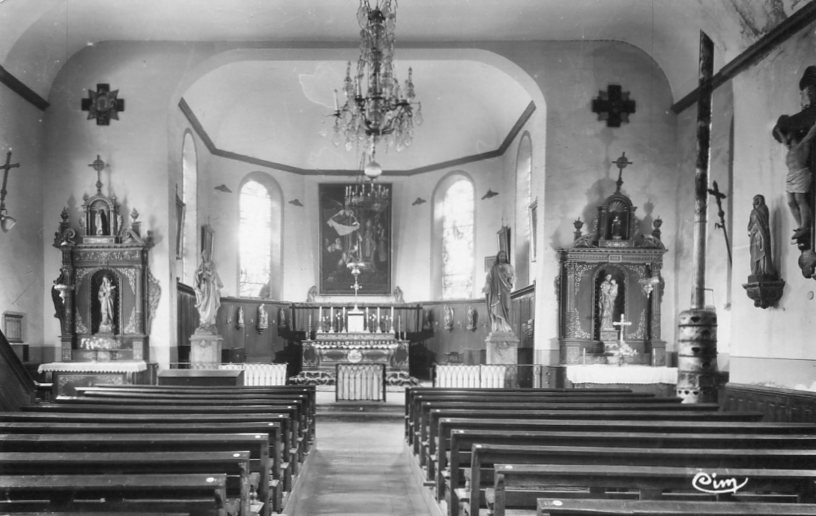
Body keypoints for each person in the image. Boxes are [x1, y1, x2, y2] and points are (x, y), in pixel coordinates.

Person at [773, 115, 816, 240]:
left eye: (787, 134)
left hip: (801, 173)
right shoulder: (790, 149)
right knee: (791, 202)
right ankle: (800, 226)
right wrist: (779, 131)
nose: (785, 138)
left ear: (792, 134)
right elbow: (784, 140)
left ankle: (805, 226)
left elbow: (812, 132)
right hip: (791, 176)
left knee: (799, 199)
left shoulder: (803, 144)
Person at [483, 250, 514, 333]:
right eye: (501, 256)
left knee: (505, 309)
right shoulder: (494, 268)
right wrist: (487, 286)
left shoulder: (508, 267)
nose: (502, 257)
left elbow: (511, 278)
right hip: (495, 292)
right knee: (496, 308)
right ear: (498, 257)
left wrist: (510, 281)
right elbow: (488, 278)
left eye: (504, 256)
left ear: (506, 257)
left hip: (505, 292)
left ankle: (505, 326)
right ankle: (497, 327)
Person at [748, 194, 777, 279]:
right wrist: (750, 230)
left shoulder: (764, 209)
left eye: (756, 199)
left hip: (762, 234)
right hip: (754, 236)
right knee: (754, 253)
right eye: (754, 200)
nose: (754, 202)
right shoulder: (753, 211)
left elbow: (764, 222)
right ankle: (756, 270)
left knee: (763, 252)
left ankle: (764, 270)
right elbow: (750, 223)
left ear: (760, 200)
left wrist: (758, 227)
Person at [194, 252, 223, 330]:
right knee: (203, 304)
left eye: (207, 255)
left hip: (211, 288)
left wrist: (209, 274)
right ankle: (203, 322)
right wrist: (200, 273)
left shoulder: (212, 265)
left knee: (211, 304)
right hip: (203, 288)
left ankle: (210, 322)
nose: (205, 257)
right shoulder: (200, 266)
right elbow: (196, 276)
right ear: (202, 257)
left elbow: (214, 275)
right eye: (204, 256)